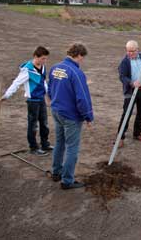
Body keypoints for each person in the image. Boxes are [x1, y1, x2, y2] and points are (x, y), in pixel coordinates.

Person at [48, 43, 93, 189]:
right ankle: (67, 180)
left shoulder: (55, 68)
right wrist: (88, 116)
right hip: (70, 116)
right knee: (72, 147)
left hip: (56, 111)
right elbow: (83, 98)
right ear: (79, 55)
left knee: (60, 143)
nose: (82, 61)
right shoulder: (76, 73)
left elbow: (50, 89)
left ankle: (56, 172)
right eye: (82, 58)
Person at [0, 46, 52, 156]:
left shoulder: (42, 67)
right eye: (43, 58)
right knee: (33, 125)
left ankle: (45, 144)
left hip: (41, 99)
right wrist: (6, 95)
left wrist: (48, 95)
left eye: (45, 59)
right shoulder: (27, 70)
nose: (44, 61)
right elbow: (16, 83)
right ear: (35, 57)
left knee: (44, 123)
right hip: (32, 101)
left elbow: (43, 82)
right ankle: (33, 148)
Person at [116, 40, 141, 147]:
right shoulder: (124, 62)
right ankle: (120, 137)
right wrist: (132, 83)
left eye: (132, 51)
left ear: (137, 50)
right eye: (128, 51)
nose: (129, 53)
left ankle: (137, 133)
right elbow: (122, 77)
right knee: (126, 115)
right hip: (131, 91)